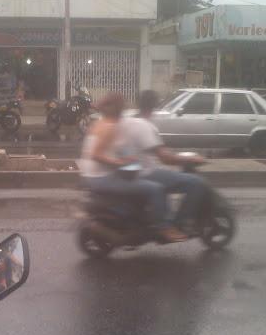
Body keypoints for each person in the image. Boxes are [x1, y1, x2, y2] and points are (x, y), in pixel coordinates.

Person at [80, 92, 188, 242]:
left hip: (92, 175)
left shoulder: (99, 123)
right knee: (155, 189)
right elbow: (96, 155)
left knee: (139, 180)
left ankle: (139, 219)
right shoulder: (109, 127)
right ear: (118, 109)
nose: (123, 110)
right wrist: (120, 163)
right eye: (122, 107)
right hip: (103, 178)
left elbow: (111, 150)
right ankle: (164, 228)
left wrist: (125, 159)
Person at [126, 90, 207, 234]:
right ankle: (180, 223)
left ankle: (166, 214)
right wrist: (191, 159)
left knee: (170, 176)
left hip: (135, 171)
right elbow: (166, 158)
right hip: (146, 173)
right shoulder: (145, 126)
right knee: (196, 182)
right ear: (155, 106)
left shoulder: (131, 120)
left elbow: (156, 151)